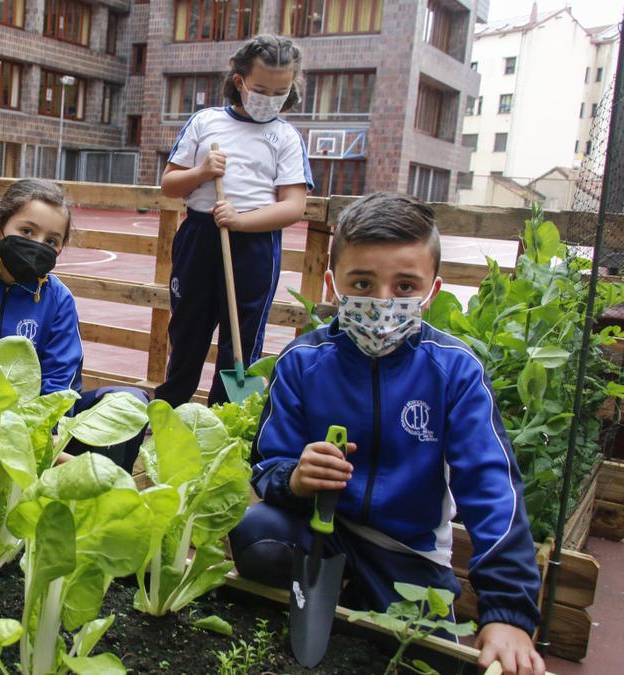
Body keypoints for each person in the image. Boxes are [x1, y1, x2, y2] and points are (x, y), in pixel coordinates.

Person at [228, 192, 546, 675]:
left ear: (431, 292)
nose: (382, 302)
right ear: (334, 286)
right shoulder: (302, 363)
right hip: (325, 537)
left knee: (433, 662)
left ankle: (370, 597)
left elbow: (493, 490)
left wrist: (508, 614)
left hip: (410, 553)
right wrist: (295, 478)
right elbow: (268, 465)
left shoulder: (454, 371)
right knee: (256, 536)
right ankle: (331, 592)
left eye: (404, 286)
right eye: (362, 282)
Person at [0, 177, 147, 474]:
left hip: (38, 433)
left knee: (129, 402)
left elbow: (62, 381)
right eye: (26, 231)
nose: (37, 245)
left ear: (60, 250)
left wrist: (36, 439)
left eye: (51, 241)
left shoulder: (58, 299)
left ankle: (101, 499)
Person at [155, 34, 312, 407]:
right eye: (260, 88)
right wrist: (203, 172)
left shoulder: (285, 137)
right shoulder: (205, 122)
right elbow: (169, 184)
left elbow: (293, 206)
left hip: (253, 244)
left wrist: (242, 221)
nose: (269, 99)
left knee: (241, 339)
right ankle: (168, 412)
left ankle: (224, 419)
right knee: (188, 329)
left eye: (280, 91)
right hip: (199, 236)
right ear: (239, 81)